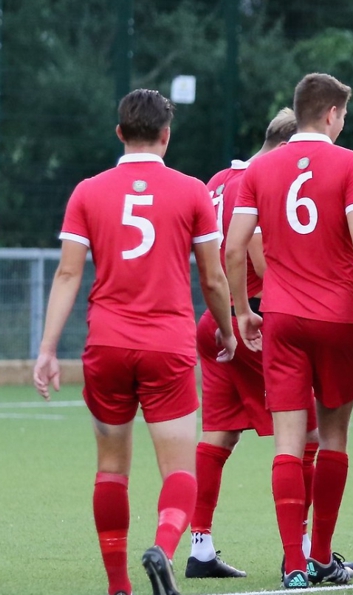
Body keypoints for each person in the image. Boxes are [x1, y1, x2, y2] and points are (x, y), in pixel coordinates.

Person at [32, 88, 237, 595]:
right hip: (166, 345)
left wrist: (46, 349)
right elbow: (213, 279)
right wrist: (228, 330)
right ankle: (163, 549)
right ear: (166, 135)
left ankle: (119, 586)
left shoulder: (87, 191)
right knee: (179, 469)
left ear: (119, 133)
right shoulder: (190, 191)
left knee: (111, 469)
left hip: (106, 345)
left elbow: (66, 275)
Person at [226, 72, 353, 589]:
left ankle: (293, 564)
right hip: (337, 314)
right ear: (331, 114)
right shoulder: (350, 162)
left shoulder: (260, 167)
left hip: (280, 315)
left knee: (287, 444)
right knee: (335, 435)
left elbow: (232, 249)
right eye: (343, 116)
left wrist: (241, 309)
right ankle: (320, 556)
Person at [187, 108, 320, 580]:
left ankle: (199, 547)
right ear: (287, 145)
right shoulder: (266, 179)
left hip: (214, 320)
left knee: (219, 433)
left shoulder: (218, 179)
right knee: (306, 436)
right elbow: (253, 252)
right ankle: (300, 552)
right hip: (254, 320)